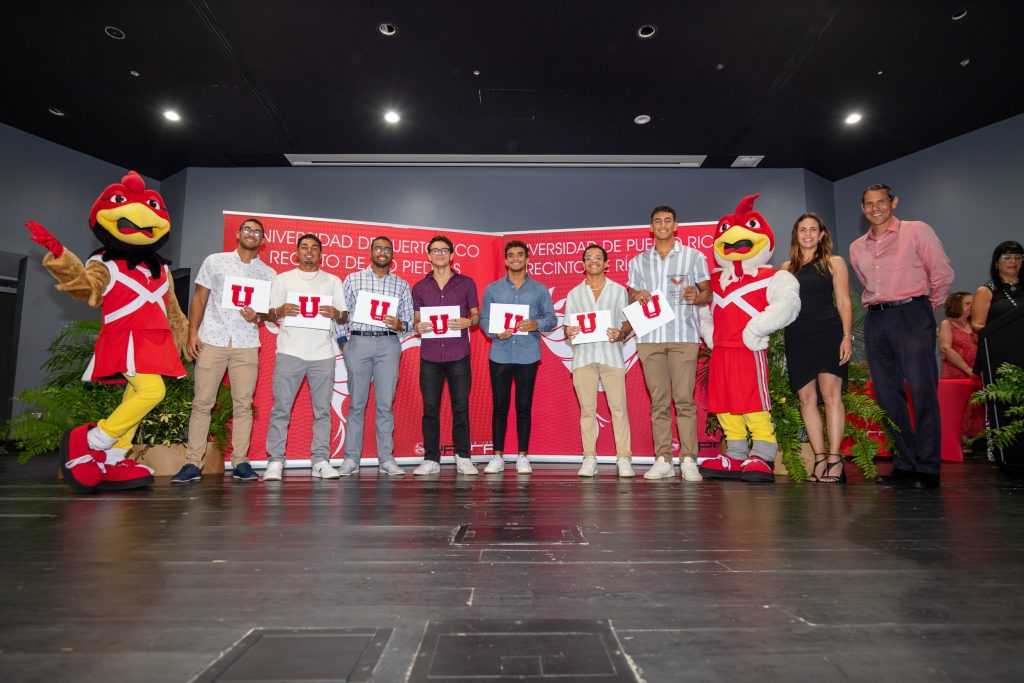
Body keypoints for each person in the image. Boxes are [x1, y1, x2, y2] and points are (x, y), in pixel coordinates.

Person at [849, 184, 954, 489]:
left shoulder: (917, 230)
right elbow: (866, 284)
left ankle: (928, 468)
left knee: (922, 391)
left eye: (881, 201)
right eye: (869, 204)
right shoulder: (858, 247)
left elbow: (942, 274)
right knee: (887, 396)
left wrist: (922, 310)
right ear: (862, 209)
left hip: (912, 314)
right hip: (876, 320)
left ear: (894, 202)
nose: (875, 208)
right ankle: (906, 464)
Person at [173, 218, 276, 484]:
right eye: (248, 230)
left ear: (262, 241)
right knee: (202, 403)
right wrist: (191, 333)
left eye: (258, 232)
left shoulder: (268, 273)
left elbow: (266, 314)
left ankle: (240, 461)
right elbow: (199, 298)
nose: (252, 235)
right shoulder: (215, 261)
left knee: (243, 405)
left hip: (246, 344)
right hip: (212, 340)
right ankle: (193, 463)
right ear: (237, 233)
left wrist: (258, 315)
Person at [627, 206, 711, 481]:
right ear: (650, 228)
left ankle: (688, 459)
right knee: (659, 403)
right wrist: (637, 294)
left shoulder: (694, 256)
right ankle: (663, 459)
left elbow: (706, 294)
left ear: (676, 225)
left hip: (683, 337)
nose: (662, 225)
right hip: (650, 339)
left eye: (667, 220)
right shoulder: (639, 261)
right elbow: (630, 295)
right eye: (657, 221)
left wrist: (695, 296)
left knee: (685, 401)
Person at [261, 233, 348, 481]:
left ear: (320, 254)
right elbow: (268, 314)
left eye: (314, 248)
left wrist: (335, 313)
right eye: (304, 247)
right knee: (281, 409)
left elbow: (343, 316)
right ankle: (275, 460)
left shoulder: (332, 281)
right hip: (289, 352)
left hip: (322, 354)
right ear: (297, 252)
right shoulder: (283, 279)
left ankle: (320, 460)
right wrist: (280, 311)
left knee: (322, 411)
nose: (309, 251)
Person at [780, 213, 853, 484]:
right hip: (797, 336)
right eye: (802, 230)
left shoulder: (834, 263)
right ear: (796, 234)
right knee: (806, 400)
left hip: (828, 332)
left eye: (813, 229)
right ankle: (820, 459)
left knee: (831, 395)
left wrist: (846, 337)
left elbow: (844, 301)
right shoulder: (786, 267)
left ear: (822, 234)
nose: (808, 234)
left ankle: (835, 460)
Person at [480, 240, 557, 474]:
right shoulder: (492, 289)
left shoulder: (540, 290)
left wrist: (536, 323)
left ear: (527, 259)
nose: (515, 258)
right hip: (500, 354)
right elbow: (484, 320)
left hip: (527, 354)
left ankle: (523, 456)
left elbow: (552, 319)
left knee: (524, 406)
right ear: (505, 260)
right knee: (499, 407)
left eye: (520, 255)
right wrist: (494, 332)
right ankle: (497, 456)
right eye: (511, 255)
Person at [339, 236, 413, 476]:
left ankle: (386, 458)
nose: (383, 252)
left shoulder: (401, 284)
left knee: (385, 404)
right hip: (358, 342)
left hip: (388, 344)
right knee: (356, 405)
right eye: (378, 248)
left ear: (392, 255)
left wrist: (400, 323)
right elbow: (341, 313)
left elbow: (410, 321)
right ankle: (351, 458)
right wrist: (343, 343)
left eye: (387, 249)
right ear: (370, 252)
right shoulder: (353, 279)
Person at [563, 244, 635, 477]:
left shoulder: (618, 291)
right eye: (588, 258)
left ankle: (623, 458)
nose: (593, 261)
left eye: (598, 258)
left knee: (619, 409)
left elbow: (627, 321)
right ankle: (589, 457)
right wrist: (570, 331)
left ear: (606, 263)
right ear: (583, 264)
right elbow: (566, 328)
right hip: (583, 358)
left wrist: (621, 333)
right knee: (587, 411)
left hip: (611, 356)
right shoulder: (574, 293)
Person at [411, 235, 480, 475]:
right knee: (430, 407)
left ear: (451, 254)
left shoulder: (467, 283)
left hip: (458, 354)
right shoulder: (419, 287)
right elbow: (417, 319)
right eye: (435, 250)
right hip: (430, 355)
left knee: (460, 406)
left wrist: (468, 321)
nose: (440, 254)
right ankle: (431, 459)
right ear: (429, 256)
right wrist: (417, 326)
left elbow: (476, 316)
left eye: (444, 250)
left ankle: (463, 456)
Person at [938, 292, 984, 443]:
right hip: (956, 374)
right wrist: (966, 368)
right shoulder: (947, 324)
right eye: (968, 304)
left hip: (976, 373)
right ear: (957, 306)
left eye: (973, 303)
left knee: (976, 407)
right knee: (958, 408)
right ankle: (958, 442)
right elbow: (946, 348)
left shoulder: (975, 324)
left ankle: (976, 440)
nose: (972, 307)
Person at [970, 240, 1022, 331]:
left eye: (1018, 257)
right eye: (1007, 258)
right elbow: (976, 325)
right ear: (996, 262)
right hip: (1002, 342)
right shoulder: (985, 291)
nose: (1013, 261)